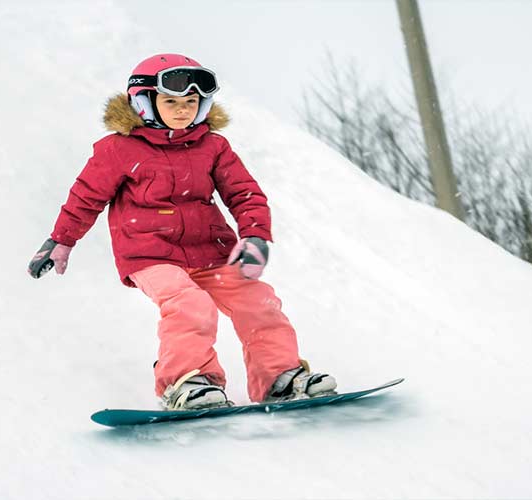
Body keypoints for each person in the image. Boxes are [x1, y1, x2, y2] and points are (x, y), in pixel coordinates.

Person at [28, 53, 336, 410]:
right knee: (190, 304)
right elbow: (86, 197)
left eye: (191, 102)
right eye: (171, 101)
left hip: (212, 250)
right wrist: (61, 239)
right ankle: (187, 382)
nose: (182, 110)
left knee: (258, 302)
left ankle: (279, 377)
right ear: (144, 102)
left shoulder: (213, 147)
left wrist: (255, 236)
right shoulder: (118, 149)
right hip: (149, 253)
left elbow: (244, 193)